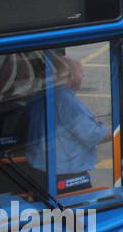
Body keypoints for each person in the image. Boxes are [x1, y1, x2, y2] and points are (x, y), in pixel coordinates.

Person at [25, 57, 108, 194]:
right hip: (65, 178)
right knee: (78, 213)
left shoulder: (41, 95)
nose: (83, 75)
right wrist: (118, 129)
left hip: (39, 172)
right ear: (69, 74)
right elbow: (91, 135)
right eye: (81, 71)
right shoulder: (64, 99)